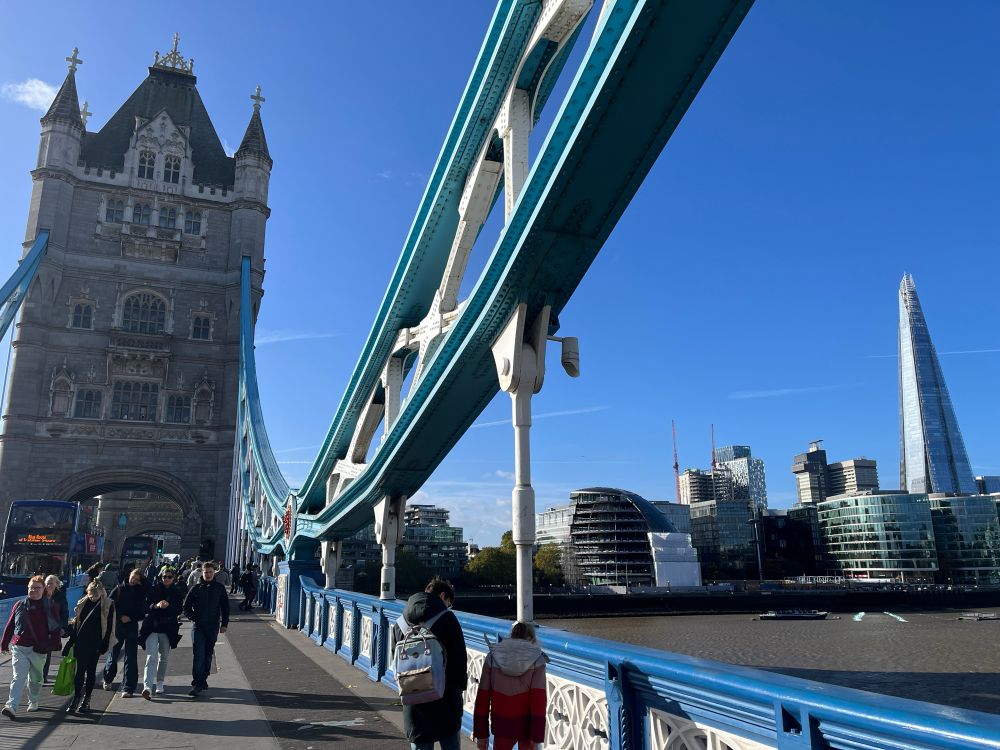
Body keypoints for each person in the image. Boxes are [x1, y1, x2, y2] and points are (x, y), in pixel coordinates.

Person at [400, 577, 467, 750]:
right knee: (450, 742)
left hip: (413, 696)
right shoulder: (448, 618)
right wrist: (460, 688)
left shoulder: (401, 622)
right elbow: (460, 659)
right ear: (443, 595)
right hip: (446, 697)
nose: (448, 607)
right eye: (449, 603)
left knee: (420, 743)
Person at [472, 622, 548, 750]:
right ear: (531, 638)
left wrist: (481, 734)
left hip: (501, 723)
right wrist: (536, 737)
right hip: (527, 726)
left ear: (512, 635)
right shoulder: (537, 659)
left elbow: (482, 699)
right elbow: (538, 702)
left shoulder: (493, 657)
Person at [0, 575, 62, 719]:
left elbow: (55, 629)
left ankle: (33, 700)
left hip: (38, 649)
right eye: (31, 588)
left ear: (43, 589)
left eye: (37, 588)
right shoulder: (19, 604)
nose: (33, 590)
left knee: (35, 678)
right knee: (18, 676)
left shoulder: (50, 606)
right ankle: (11, 706)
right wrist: (4, 644)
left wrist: (53, 645)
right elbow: (10, 625)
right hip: (19, 647)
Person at [63, 580, 115, 714]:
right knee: (80, 671)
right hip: (82, 641)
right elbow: (77, 622)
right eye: (90, 595)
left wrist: (104, 645)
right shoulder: (82, 602)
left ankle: (87, 699)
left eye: (95, 596)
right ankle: (76, 698)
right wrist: (70, 641)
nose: (92, 598)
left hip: (96, 643)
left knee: (91, 671)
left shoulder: (108, 605)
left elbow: (109, 626)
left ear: (101, 594)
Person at [182, 561, 229, 697]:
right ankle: (197, 684)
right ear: (201, 573)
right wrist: (193, 617)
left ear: (214, 573)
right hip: (198, 627)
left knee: (208, 655)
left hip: (212, 627)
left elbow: (225, 607)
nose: (208, 574)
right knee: (198, 655)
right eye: (205, 572)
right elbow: (186, 607)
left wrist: (224, 624)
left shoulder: (219, 588)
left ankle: (203, 679)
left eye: (210, 572)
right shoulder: (196, 589)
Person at [139, 565, 184, 699]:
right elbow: (145, 607)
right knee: (150, 657)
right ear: (161, 577)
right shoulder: (153, 589)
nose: (167, 579)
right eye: (164, 577)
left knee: (163, 657)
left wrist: (169, 606)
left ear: (173, 578)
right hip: (152, 627)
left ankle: (160, 683)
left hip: (168, 629)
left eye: (170, 577)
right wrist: (156, 605)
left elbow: (179, 610)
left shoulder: (176, 592)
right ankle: (147, 686)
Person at [102, 569, 148, 697]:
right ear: (129, 575)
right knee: (113, 655)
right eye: (133, 577)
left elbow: (143, 610)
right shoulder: (118, 589)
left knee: (131, 658)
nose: (134, 580)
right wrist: (120, 616)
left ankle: (128, 687)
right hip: (118, 626)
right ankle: (108, 678)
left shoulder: (140, 592)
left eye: (138, 579)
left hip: (132, 626)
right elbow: (109, 606)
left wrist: (132, 618)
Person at [42, 575, 69, 685]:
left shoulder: (60, 597)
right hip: (40, 627)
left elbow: (64, 614)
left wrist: (63, 627)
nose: (49, 585)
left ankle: (43, 677)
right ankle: (36, 676)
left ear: (56, 585)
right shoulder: (40, 594)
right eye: (47, 583)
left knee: (47, 653)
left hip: (53, 629)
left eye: (52, 583)